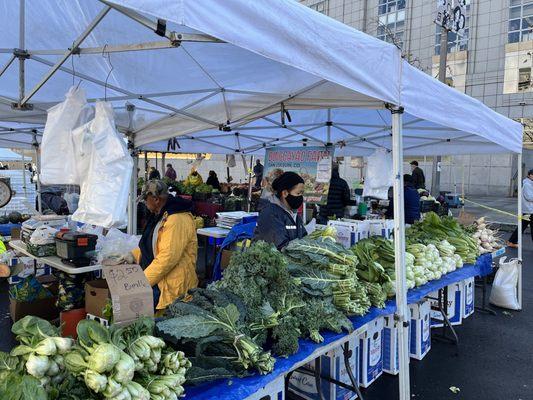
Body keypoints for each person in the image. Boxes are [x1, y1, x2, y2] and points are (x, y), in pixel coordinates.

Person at [133, 180, 198, 311]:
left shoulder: (176, 219)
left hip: (172, 286)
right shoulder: (160, 214)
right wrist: (132, 255)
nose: (145, 203)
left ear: (156, 199)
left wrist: (141, 283)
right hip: (159, 280)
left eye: (146, 199)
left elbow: (167, 258)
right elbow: (153, 245)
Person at [254, 171, 306, 250]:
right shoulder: (270, 214)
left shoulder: (293, 213)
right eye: (298, 193)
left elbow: (303, 236)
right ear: (285, 193)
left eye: (302, 194)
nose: (301, 197)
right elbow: (281, 247)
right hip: (275, 260)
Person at [508, 169, 533, 248]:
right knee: (523, 226)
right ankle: (511, 241)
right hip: (530, 210)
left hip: (528, 210)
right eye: (532, 174)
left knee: (522, 226)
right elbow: (529, 197)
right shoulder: (527, 184)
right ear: (529, 175)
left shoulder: (530, 184)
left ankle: (511, 241)